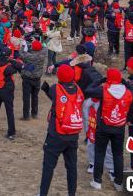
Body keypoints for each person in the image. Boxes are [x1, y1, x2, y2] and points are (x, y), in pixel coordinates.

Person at [84, 68, 133, 191]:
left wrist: (100, 81)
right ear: (120, 79)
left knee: (100, 153)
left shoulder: (103, 90)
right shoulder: (128, 92)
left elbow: (88, 90)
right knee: (118, 154)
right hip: (119, 127)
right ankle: (118, 182)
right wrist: (127, 118)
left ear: (108, 79)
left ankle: (97, 181)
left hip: (104, 126)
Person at [38, 64, 83, 196]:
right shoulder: (78, 89)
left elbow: (56, 98)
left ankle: (43, 193)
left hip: (56, 134)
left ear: (60, 76)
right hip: (73, 135)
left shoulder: (55, 88)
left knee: (48, 167)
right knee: (71, 167)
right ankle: (71, 193)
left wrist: (46, 90)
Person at [0, 46, 26, 142]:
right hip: (6, 91)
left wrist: (10, 61)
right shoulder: (8, 67)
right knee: (9, 112)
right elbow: (19, 67)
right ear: (8, 56)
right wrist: (13, 61)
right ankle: (11, 133)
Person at [18, 40, 46, 120]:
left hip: (27, 78)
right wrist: (37, 43)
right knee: (35, 96)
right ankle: (34, 113)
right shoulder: (43, 54)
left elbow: (20, 53)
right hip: (37, 78)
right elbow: (44, 47)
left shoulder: (28, 56)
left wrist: (24, 46)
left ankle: (26, 116)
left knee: (26, 97)